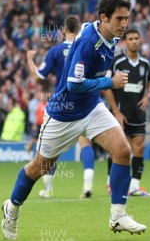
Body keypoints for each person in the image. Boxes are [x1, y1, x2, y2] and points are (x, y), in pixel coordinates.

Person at [1, 0, 147, 240]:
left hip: (90, 108)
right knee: (39, 167)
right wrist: (108, 81)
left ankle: (118, 215)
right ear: (104, 17)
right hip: (63, 113)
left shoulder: (106, 34)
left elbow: (88, 32)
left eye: (127, 18)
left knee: (123, 151)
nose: (124, 24)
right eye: (119, 19)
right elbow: (73, 84)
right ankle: (12, 208)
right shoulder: (90, 42)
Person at [26, 15, 97, 199]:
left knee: (51, 149)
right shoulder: (86, 46)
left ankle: (48, 189)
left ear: (63, 30)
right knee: (85, 143)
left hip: (63, 103)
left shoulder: (55, 51)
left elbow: (38, 77)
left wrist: (29, 59)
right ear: (79, 28)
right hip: (85, 100)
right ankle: (87, 185)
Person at [103, 28, 150, 196]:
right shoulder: (117, 61)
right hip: (120, 114)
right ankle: (112, 183)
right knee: (119, 150)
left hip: (138, 113)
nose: (134, 41)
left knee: (139, 149)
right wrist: (116, 111)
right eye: (131, 38)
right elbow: (107, 86)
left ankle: (135, 187)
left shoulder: (145, 64)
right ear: (124, 42)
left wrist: (148, 95)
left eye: (137, 38)